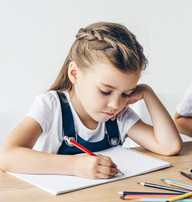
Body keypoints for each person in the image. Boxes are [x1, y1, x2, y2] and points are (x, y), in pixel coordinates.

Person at [0, 22, 182, 179]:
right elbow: (7, 156)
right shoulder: (51, 106)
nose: (116, 104)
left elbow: (170, 146)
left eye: (126, 93)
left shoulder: (119, 115)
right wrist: (75, 166)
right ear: (75, 74)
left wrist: (148, 94)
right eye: (105, 91)